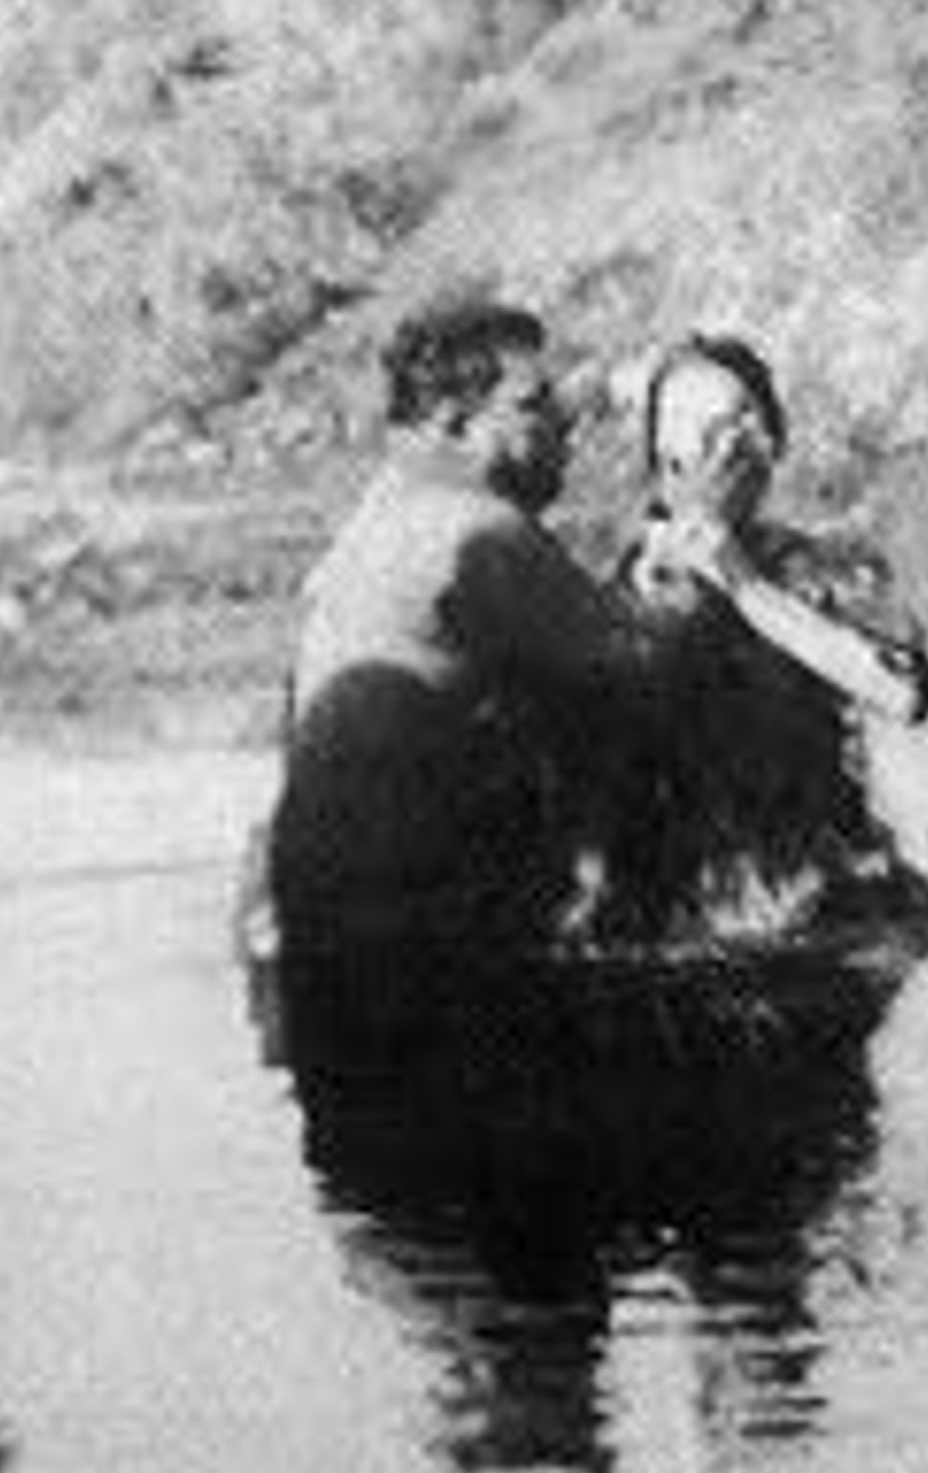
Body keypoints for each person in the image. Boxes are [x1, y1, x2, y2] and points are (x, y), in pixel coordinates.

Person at [261, 295, 691, 1062]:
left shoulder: (387, 508)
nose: (565, 425)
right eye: (534, 407)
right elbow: (651, 670)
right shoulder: (479, 531)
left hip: (310, 931)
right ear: (455, 426)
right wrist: (698, 536)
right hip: (418, 959)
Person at [596, 330, 928, 943]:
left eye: (736, 422)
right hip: (683, 905)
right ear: (657, 459)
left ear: (772, 443)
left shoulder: (828, 565)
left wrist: (744, 583)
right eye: (689, 424)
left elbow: (905, 695)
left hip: (829, 895)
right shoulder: (624, 583)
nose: (716, 446)